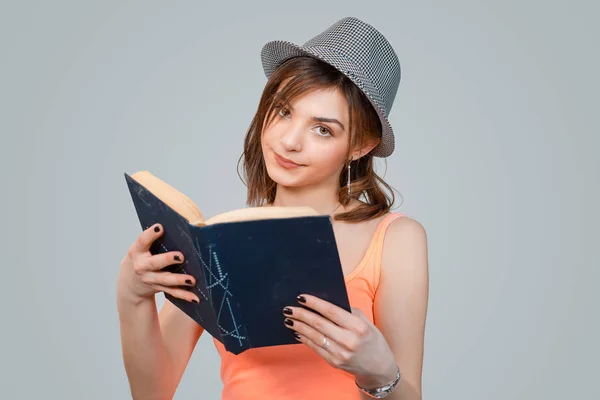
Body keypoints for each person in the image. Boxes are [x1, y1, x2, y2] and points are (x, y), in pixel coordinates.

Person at [117, 17, 429, 400]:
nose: (290, 141)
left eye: (323, 129)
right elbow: (152, 393)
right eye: (284, 112)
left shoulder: (396, 239)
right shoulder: (221, 241)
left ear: (361, 145)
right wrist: (132, 295)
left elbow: (408, 391)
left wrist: (377, 372)